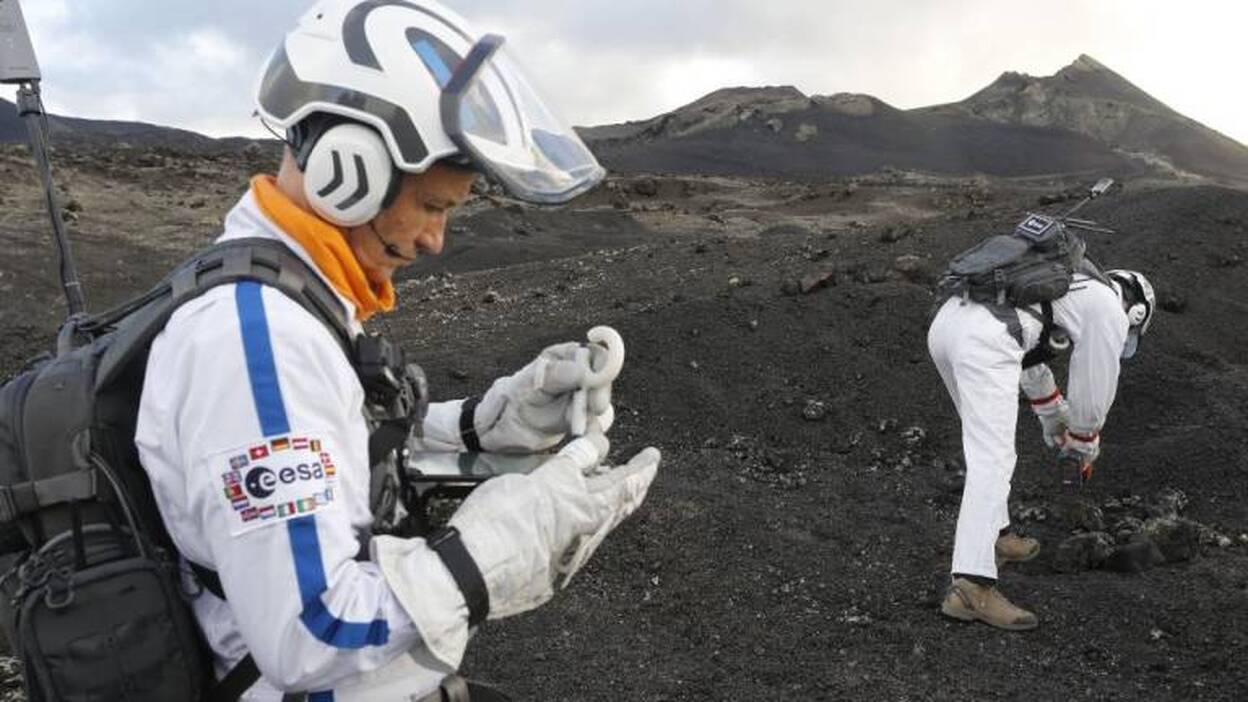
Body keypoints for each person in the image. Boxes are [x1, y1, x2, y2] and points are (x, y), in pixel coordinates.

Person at [134, 1, 660, 699]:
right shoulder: (254, 342)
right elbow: (313, 632)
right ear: (347, 170)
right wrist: (497, 552)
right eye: (435, 207)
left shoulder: (294, 298)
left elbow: (328, 459)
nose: (436, 241)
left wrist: (486, 423)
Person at [927, 265, 1155, 630]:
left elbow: (1026, 347)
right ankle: (971, 589)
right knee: (994, 459)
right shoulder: (1109, 310)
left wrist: (1052, 413)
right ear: (1136, 313)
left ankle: (997, 538)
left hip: (948, 324)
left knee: (982, 444)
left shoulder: (1064, 282)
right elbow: (1095, 379)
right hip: (984, 339)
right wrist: (1083, 438)